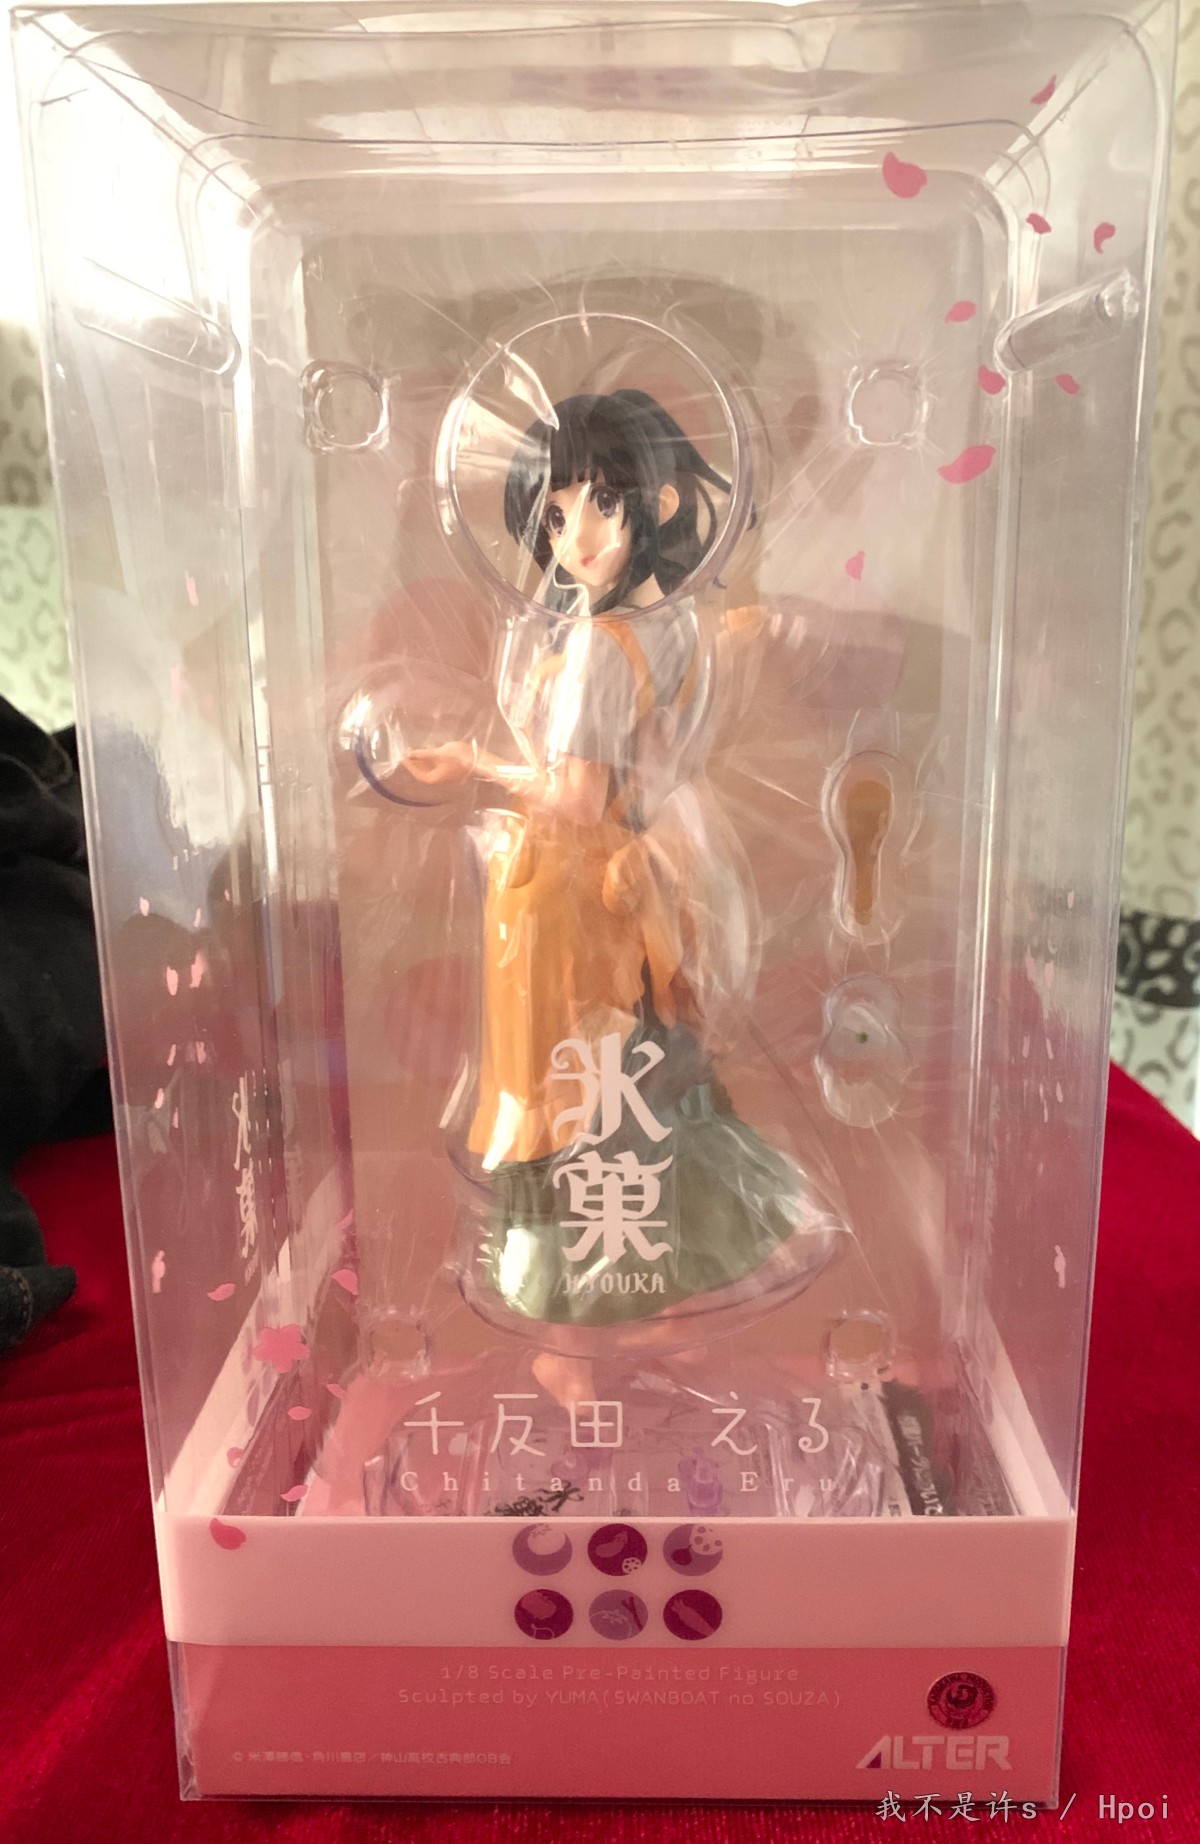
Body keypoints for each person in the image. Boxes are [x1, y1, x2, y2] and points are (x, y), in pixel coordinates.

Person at [401, 388, 838, 1347]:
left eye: (601, 503)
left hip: (575, 895)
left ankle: (579, 1320)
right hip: (647, 876)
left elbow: (573, 797)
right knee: (645, 1070)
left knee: (577, 1091)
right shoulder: (677, 624)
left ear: (658, 503)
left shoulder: (601, 647)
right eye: (556, 517)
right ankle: (677, 1268)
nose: (577, 539)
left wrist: (474, 765)